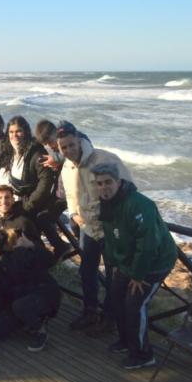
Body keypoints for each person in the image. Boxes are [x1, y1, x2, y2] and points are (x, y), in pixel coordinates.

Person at [92, 163, 177, 370]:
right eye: (100, 184)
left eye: (108, 182)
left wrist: (138, 276)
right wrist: (113, 263)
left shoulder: (139, 204)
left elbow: (147, 244)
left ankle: (143, 354)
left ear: (119, 182)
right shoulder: (107, 202)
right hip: (127, 262)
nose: (104, 187)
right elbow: (112, 237)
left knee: (134, 306)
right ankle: (126, 341)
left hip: (155, 263)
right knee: (115, 298)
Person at [57, 122, 132, 333]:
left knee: (112, 276)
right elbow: (70, 195)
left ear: (79, 141)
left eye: (71, 145)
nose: (69, 151)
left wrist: (119, 222)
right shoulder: (67, 166)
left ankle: (109, 319)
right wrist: (73, 214)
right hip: (88, 229)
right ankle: (90, 312)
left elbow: (128, 188)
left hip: (110, 230)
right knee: (87, 271)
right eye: (64, 148)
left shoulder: (104, 159)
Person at [0, 223, 60, 350]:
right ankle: (24, 320)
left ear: (1, 235)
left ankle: (40, 329)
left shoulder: (17, 250)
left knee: (20, 306)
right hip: (17, 298)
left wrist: (32, 246)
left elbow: (50, 261)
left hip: (42, 293)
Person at [0, 116, 68, 258]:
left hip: (34, 200)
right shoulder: (9, 150)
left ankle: (40, 254)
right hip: (15, 199)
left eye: (18, 131)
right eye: (11, 132)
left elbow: (45, 183)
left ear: (26, 132)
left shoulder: (36, 152)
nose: (14, 135)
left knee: (29, 220)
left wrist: (29, 206)